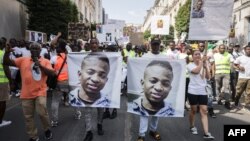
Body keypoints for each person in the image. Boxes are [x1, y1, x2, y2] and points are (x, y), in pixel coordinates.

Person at [3, 42, 55, 141]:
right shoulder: (23, 60)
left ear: (40, 50)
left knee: (42, 113)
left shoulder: (45, 61)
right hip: (26, 94)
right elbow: (6, 62)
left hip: (40, 92)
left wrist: (40, 65)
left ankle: (47, 129)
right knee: (28, 117)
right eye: (32, 48)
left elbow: (52, 73)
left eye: (36, 48)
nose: (34, 50)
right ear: (29, 50)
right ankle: (33, 136)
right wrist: (6, 53)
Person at [132, 37, 174, 141]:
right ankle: (141, 134)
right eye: (154, 44)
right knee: (144, 112)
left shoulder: (164, 57)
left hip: (158, 89)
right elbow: (138, 67)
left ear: (160, 45)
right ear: (150, 45)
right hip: (149, 87)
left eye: (157, 44)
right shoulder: (145, 56)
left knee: (157, 112)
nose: (155, 46)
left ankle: (153, 130)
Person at [187, 50, 215, 140]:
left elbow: (207, 77)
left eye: (199, 54)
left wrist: (206, 67)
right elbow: (196, 71)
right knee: (194, 110)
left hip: (203, 91)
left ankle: (206, 133)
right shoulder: (189, 65)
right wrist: (202, 63)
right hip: (193, 91)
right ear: (192, 56)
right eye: (196, 54)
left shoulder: (204, 64)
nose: (198, 55)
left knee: (204, 111)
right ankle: (192, 126)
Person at [50, 39, 69, 127]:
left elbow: (51, 70)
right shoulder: (69, 57)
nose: (56, 48)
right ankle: (78, 113)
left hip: (58, 82)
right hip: (68, 81)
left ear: (61, 48)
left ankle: (54, 121)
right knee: (73, 99)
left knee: (55, 101)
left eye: (58, 47)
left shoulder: (54, 58)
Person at [234, 45, 250, 110]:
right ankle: (236, 103)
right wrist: (239, 67)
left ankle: (247, 105)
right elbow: (234, 65)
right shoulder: (240, 58)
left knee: (249, 92)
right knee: (239, 91)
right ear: (245, 50)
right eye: (248, 49)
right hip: (242, 77)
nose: (249, 50)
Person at [0, 38, 12, 128]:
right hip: (2, 81)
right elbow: (6, 69)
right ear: (3, 45)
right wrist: (11, 81)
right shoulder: (3, 54)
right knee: (2, 102)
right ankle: (0, 121)